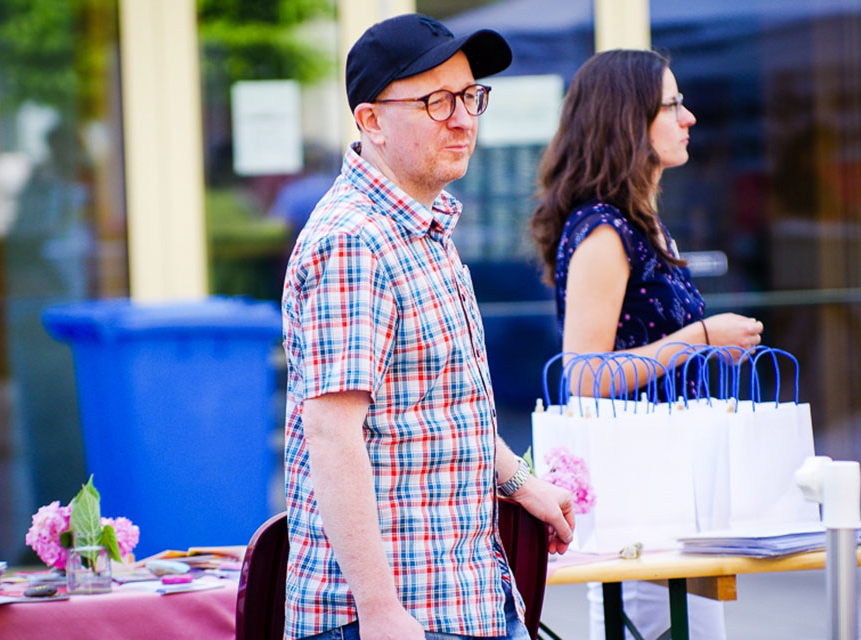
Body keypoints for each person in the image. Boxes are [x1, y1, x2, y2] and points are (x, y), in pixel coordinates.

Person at [281, 14, 575, 640]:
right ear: (370, 121)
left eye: (470, 97)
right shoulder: (353, 241)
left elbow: (435, 409)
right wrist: (381, 614)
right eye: (436, 101)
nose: (464, 118)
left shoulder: (422, 226)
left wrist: (520, 482)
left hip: (466, 599)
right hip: (392, 618)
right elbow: (332, 437)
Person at [528, 49, 764, 640]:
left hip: (667, 488)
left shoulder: (638, 223)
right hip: (638, 497)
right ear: (628, 120)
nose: (688, 118)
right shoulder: (605, 231)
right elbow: (582, 374)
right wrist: (700, 338)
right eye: (672, 104)